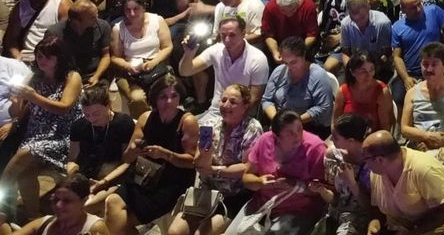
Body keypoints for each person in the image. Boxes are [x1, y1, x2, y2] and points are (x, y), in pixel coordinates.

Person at [102, 74, 198, 235]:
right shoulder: (145, 118)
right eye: (163, 97)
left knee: (122, 221)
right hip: (144, 177)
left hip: (171, 182)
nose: (169, 101)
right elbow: (127, 158)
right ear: (155, 98)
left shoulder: (187, 122)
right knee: (112, 202)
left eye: (174, 96)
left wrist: (166, 154)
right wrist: (134, 150)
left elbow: (192, 162)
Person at [0, 35, 83, 220]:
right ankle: (33, 217)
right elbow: (18, 112)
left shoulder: (71, 77)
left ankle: (3, 209)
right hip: (35, 134)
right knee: (24, 175)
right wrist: (16, 101)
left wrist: (33, 96)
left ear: (59, 58)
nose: (42, 61)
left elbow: (63, 107)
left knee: (21, 155)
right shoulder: (34, 78)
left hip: (61, 136)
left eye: (47, 57)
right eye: (39, 56)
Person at [163, 84, 264, 235]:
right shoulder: (210, 125)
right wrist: (205, 153)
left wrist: (215, 170)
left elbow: (247, 168)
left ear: (245, 106)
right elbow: (200, 165)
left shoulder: (253, 128)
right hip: (207, 192)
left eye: (233, 102)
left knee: (202, 233)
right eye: (223, 100)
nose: (226, 105)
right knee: (175, 232)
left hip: (235, 196)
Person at [235, 110, 329, 234]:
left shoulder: (315, 148)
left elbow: (324, 191)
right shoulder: (265, 140)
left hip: (298, 210)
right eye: (290, 133)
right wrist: (260, 182)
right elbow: (247, 177)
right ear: (276, 136)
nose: (298, 136)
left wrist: (296, 185)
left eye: (300, 129)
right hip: (262, 204)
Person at [363, 130, 444, 235]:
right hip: (401, 229)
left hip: (439, 230)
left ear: (380, 160)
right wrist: (374, 224)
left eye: (366, 159)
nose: (366, 164)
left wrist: (413, 232)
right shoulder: (377, 173)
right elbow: (377, 210)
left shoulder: (423, 169)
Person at [178, 15, 270, 116]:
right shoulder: (216, 50)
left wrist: (231, 118)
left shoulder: (257, 59)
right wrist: (189, 53)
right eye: (223, 35)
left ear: (243, 34)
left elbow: (254, 99)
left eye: (232, 35)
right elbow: (185, 71)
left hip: (241, 115)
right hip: (215, 112)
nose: (227, 40)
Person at [400, 42, 444, 162]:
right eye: (425, 64)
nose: (429, 69)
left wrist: (441, 141)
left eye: (434, 64)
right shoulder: (412, 93)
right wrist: (426, 136)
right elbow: (404, 129)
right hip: (419, 147)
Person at [261, 36, 334, 138]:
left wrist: (294, 122)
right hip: (280, 125)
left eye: (293, 62)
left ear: (303, 56)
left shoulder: (318, 75)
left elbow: (323, 107)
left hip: (308, 127)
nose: (289, 67)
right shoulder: (279, 71)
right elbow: (267, 100)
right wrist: (277, 121)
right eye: (285, 63)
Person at [389, 0, 444, 106]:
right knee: (398, 98)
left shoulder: (433, 11)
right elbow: (396, 57)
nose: (418, 9)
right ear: (403, 9)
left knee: (439, 98)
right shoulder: (397, 27)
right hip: (411, 72)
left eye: (419, 4)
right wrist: (406, 78)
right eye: (413, 8)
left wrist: (443, 57)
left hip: (433, 68)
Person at [10, 173, 109, 235]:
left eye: (67, 201)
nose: (58, 205)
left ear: (83, 201)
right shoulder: (45, 223)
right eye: (56, 199)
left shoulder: (95, 228)